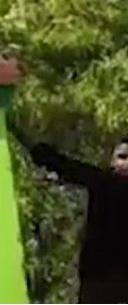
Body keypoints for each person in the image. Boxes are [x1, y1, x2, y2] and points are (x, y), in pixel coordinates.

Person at [11, 123, 128, 303]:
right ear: (111, 160)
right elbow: (74, 170)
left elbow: (74, 169)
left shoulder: (104, 182)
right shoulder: (103, 182)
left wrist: (45, 154)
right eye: (122, 157)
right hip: (98, 278)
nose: (126, 163)